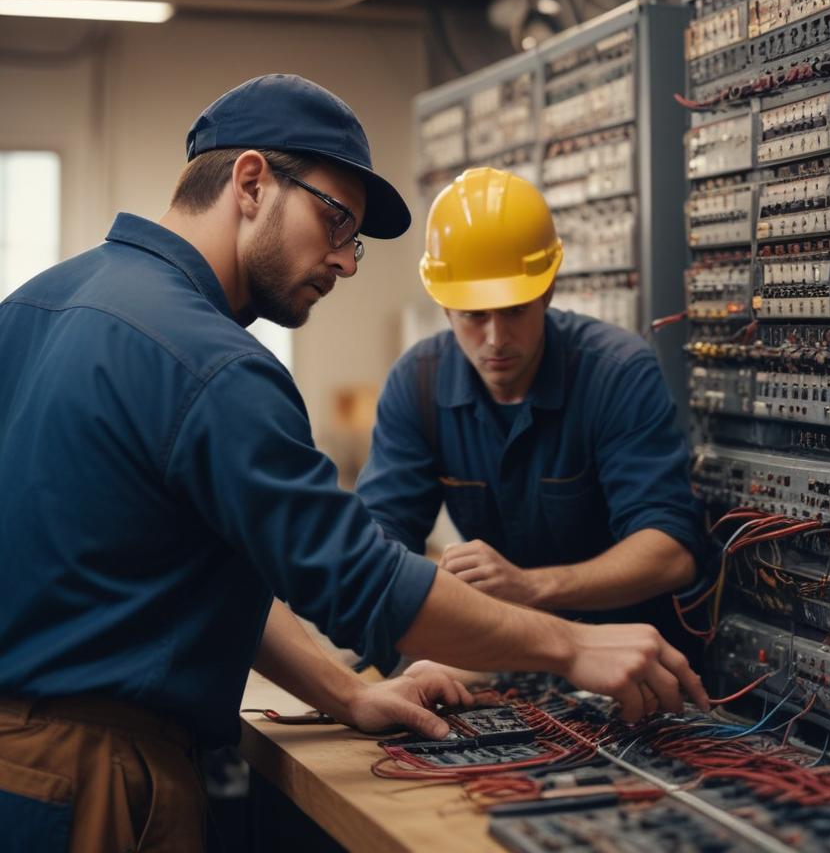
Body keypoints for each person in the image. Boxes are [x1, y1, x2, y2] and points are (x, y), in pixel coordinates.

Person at [0, 76, 708, 853]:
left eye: (355, 237)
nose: (346, 261)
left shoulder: (31, 307)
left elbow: (214, 570)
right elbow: (360, 580)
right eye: (334, 219)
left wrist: (347, 693)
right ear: (250, 182)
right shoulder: (213, 363)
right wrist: (574, 645)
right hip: (94, 786)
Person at [357, 167, 706, 659]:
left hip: (628, 661)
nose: (496, 338)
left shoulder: (618, 373)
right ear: (444, 305)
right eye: (475, 316)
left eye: (516, 310)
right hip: (505, 656)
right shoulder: (416, 384)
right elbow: (378, 546)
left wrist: (529, 586)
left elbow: (671, 554)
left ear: (547, 291)